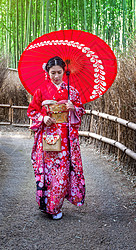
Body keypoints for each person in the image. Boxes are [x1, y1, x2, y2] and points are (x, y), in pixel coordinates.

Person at [27, 56, 86, 220]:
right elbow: (32, 111)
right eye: (52, 73)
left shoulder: (71, 91)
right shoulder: (41, 90)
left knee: (61, 172)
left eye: (59, 72)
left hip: (65, 137)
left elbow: (81, 111)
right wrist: (42, 118)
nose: (56, 76)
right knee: (47, 172)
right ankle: (46, 204)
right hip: (47, 135)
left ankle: (54, 207)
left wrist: (73, 108)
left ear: (64, 71)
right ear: (47, 72)